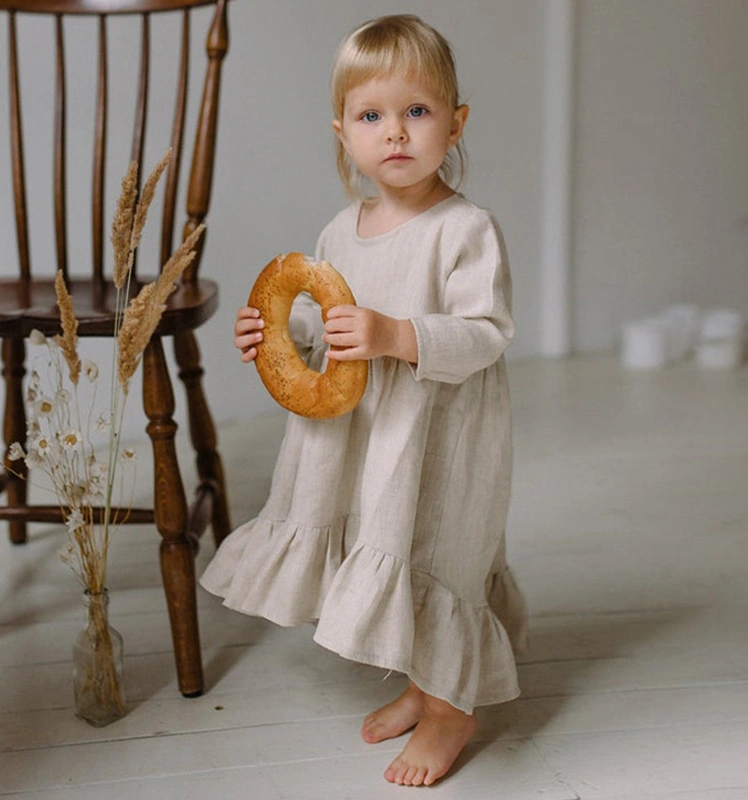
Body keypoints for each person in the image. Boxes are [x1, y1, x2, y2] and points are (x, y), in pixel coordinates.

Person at [200, 14, 527, 788]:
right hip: (367, 436)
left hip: (439, 432)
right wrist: (283, 334)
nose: (397, 134)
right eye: (372, 116)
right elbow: (326, 322)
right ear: (343, 131)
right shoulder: (339, 231)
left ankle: (452, 707)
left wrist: (399, 334)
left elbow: (486, 331)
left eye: (417, 111)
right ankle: (421, 682)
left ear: (455, 122)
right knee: (393, 543)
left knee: (440, 550)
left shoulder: (465, 230)